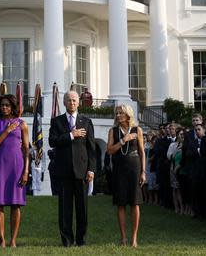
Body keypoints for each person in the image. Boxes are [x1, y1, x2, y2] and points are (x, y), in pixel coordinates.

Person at [49, 90, 96, 247]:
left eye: (75, 100)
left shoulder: (86, 121)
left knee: (82, 209)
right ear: (64, 102)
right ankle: (67, 240)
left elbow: (91, 149)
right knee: (65, 209)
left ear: (79, 102)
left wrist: (91, 169)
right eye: (69, 100)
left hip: (82, 171)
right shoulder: (57, 121)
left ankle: (81, 240)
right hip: (63, 171)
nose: (72, 103)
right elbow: (52, 141)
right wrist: (71, 134)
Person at [0, 94, 29, 248]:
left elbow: (26, 150)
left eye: (7, 105)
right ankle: (2, 240)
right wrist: (6, 131)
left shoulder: (22, 124)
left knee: (15, 204)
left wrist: (26, 171)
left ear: (13, 106)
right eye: (2, 105)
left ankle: (13, 241)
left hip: (17, 167)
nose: (4, 108)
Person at [107, 104, 145, 248]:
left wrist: (143, 171)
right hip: (119, 168)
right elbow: (110, 150)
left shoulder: (138, 130)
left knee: (135, 203)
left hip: (134, 167)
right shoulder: (113, 131)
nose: (118, 115)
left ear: (128, 114)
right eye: (116, 113)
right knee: (121, 203)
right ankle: (123, 237)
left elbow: (142, 152)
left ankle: (134, 238)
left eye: (121, 113)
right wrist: (124, 139)